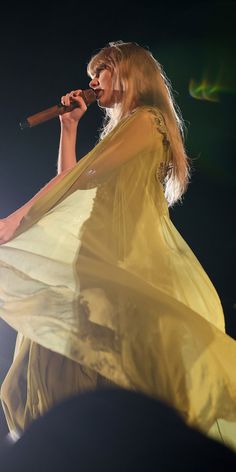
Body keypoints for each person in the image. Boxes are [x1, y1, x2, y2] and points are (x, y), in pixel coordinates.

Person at [0, 40, 236, 450]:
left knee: (94, 367)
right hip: (92, 260)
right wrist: (68, 128)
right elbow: (73, 182)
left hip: (120, 261)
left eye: (103, 69)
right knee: (61, 362)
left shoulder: (147, 120)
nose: (92, 79)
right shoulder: (128, 127)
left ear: (130, 72)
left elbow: (78, 181)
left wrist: (15, 219)